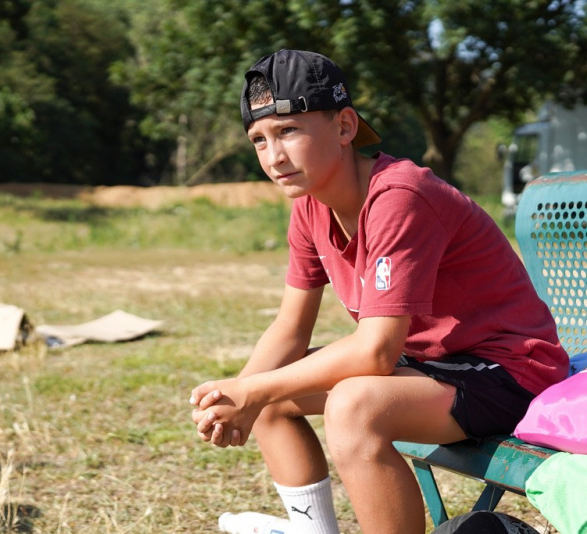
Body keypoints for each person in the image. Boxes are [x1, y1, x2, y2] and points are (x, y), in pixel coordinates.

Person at [189, 49, 569, 534]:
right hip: (435, 367)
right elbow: (289, 328)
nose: (274, 156)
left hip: (509, 372)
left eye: (289, 131)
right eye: (259, 140)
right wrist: (234, 395)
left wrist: (253, 389)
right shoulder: (310, 207)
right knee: (273, 391)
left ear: (345, 127)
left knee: (351, 405)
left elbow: (376, 351)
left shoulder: (400, 196)